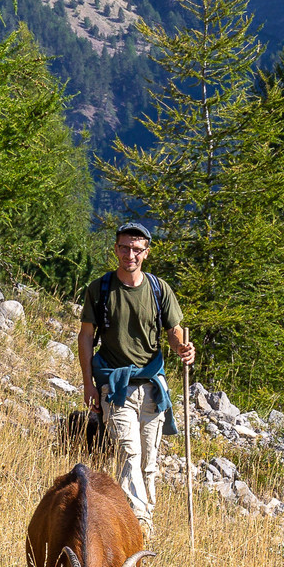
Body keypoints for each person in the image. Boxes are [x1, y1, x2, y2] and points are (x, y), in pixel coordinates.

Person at [78, 222, 196, 538]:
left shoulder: (159, 289)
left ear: (146, 252)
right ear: (115, 249)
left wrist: (183, 347)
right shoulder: (99, 289)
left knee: (148, 462)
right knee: (128, 452)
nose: (129, 254)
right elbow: (86, 336)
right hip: (114, 386)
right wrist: (89, 384)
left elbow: (173, 332)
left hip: (152, 386)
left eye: (136, 249)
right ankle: (143, 524)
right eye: (124, 247)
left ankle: (135, 522)